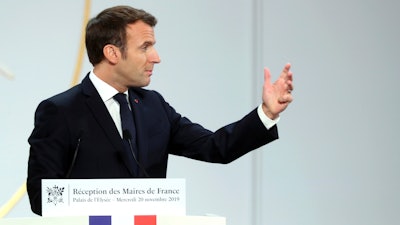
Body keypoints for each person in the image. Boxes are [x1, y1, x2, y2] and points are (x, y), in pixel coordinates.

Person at [27, 5, 293, 216]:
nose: (156, 57)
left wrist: (266, 114)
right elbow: (41, 197)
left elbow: (215, 147)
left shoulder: (154, 106)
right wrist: (106, 202)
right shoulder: (60, 111)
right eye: (145, 47)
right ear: (112, 53)